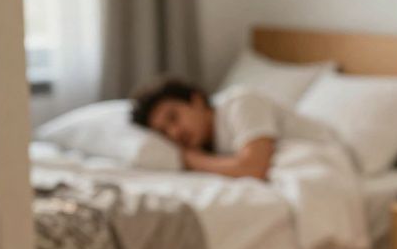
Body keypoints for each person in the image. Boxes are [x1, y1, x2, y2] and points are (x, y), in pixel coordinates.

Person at [130, 77, 335, 180]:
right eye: (164, 132)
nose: (174, 133)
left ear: (197, 100)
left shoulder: (241, 102)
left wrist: (193, 160)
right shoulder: (211, 142)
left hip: (327, 161)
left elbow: (254, 167)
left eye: (173, 117)